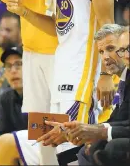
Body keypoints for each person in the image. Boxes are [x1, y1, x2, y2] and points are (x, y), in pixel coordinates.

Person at [7, 0, 118, 163]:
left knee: (74, 144)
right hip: (61, 67)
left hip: (85, 71)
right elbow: (59, 27)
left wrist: (106, 75)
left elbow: (109, 26)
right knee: (54, 144)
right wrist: (23, 11)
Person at [54, 24, 130, 166]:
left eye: (111, 49)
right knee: (69, 155)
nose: (106, 57)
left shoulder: (112, 81)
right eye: (101, 52)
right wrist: (81, 130)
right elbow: (119, 119)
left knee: (109, 147)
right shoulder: (123, 80)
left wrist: (96, 132)